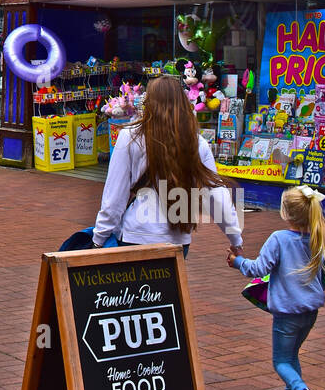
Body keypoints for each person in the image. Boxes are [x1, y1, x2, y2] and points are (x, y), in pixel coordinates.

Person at [93, 74, 242, 255]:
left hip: (136, 235)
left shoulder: (130, 137)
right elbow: (216, 195)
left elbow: (115, 194)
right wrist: (235, 239)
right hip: (177, 239)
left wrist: (99, 238)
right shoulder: (196, 142)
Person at [229, 185, 325, 390]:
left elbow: (258, 268)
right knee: (292, 356)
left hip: (287, 312)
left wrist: (237, 261)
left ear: (286, 214)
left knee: (281, 361)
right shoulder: (317, 237)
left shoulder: (279, 239)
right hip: (310, 312)